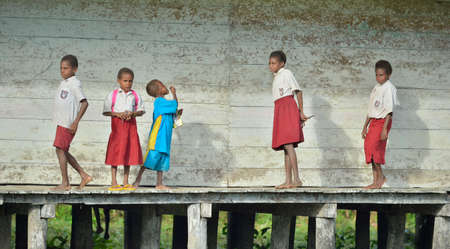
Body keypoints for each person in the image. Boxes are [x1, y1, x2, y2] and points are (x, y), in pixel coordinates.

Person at [269, 50, 311, 189]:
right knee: (285, 146)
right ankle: (288, 180)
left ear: (282, 63)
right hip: (280, 108)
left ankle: (297, 179)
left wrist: (301, 111)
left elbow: (298, 91)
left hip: (288, 107)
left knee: (289, 144)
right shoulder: (276, 77)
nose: (271, 66)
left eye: (274, 63)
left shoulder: (286, 73)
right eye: (269, 63)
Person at [52, 54, 92, 191]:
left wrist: (75, 122)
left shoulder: (75, 83)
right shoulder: (64, 83)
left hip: (68, 123)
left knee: (60, 149)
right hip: (61, 122)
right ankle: (84, 175)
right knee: (62, 150)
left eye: (66, 68)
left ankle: (65, 183)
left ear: (74, 69)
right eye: (61, 68)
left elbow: (85, 103)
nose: (62, 71)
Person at [133, 79, 180, 189]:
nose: (166, 87)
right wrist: (174, 93)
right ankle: (137, 180)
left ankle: (159, 183)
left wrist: (177, 116)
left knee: (162, 158)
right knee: (151, 157)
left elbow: (174, 111)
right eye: (163, 85)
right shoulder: (159, 101)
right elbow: (174, 105)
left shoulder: (164, 102)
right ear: (159, 90)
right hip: (158, 136)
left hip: (165, 137)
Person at [103, 68, 145, 191]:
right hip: (117, 127)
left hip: (130, 126)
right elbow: (106, 111)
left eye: (130, 81)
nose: (128, 84)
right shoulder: (114, 94)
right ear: (119, 81)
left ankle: (125, 181)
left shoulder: (135, 95)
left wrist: (132, 114)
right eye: (125, 81)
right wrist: (117, 114)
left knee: (128, 152)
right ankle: (114, 181)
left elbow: (141, 111)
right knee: (115, 152)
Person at [362, 60, 399, 189]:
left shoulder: (389, 88)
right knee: (368, 148)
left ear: (389, 75)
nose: (379, 78)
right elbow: (370, 110)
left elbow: (389, 111)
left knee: (375, 149)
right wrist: (364, 126)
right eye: (377, 75)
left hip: (383, 121)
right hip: (374, 121)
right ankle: (375, 180)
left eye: (381, 75)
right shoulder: (376, 88)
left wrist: (384, 130)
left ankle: (381, 177)